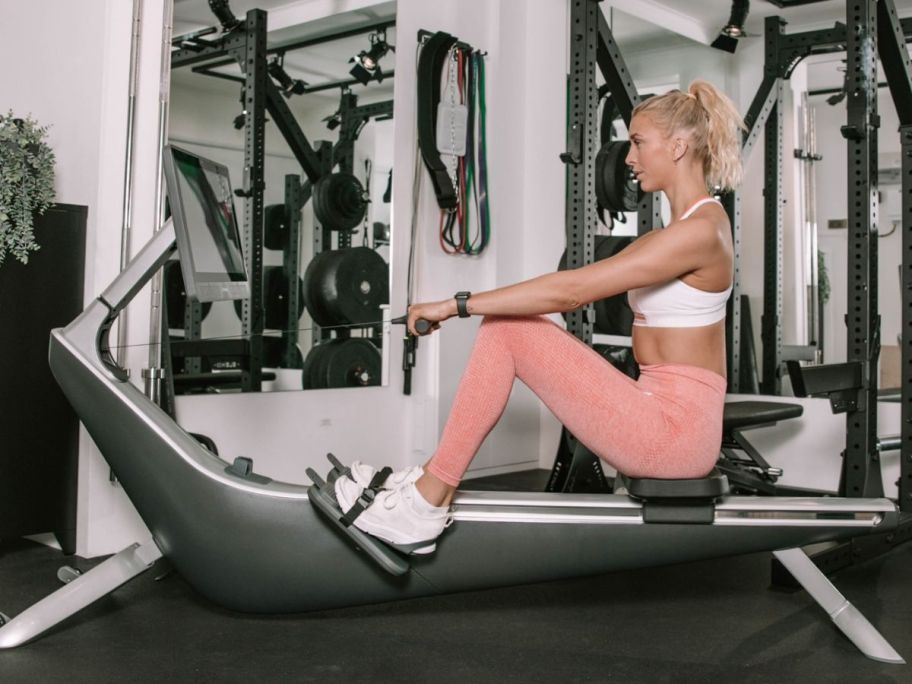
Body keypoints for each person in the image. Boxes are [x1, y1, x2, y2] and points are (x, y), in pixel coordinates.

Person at [332, 79, 746, 555]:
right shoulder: (686, 227)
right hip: (656, 409)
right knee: (510, 328)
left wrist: (455, 304)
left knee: (507, 330)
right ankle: (428, 485)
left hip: (674, 434)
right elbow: (573, 286)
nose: (628, 159)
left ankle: (426, 502)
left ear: (677, 146)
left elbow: (571, 291)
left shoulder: (698, 232)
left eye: (637, 142)